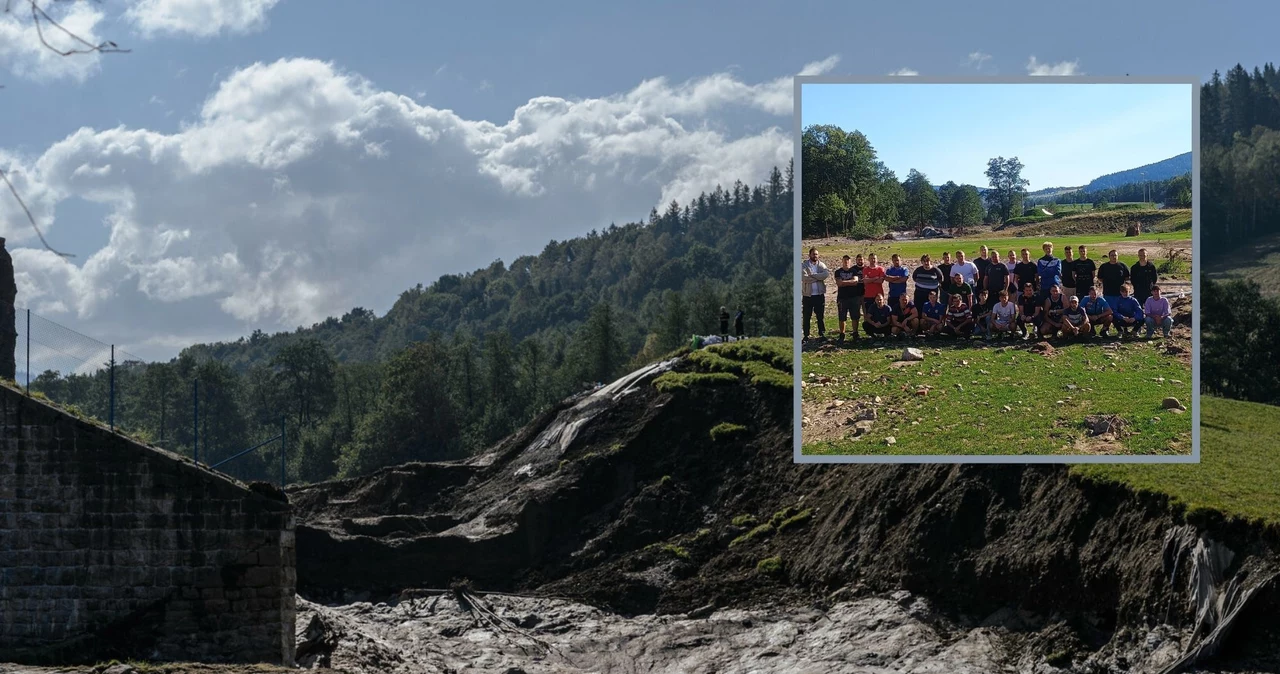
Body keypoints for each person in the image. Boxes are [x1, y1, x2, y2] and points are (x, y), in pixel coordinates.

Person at [832, 254, 862, 342]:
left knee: (855, 316)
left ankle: (855, 333)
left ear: (850, 261)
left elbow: (856, 281)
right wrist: (850, 282)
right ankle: (842, 334)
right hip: (842, 298)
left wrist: (844, 282)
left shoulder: (854, 271)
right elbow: (839, 283)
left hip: (854, 297)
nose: (846, 262)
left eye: (848, 260)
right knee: (842, 317)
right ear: (842, 261)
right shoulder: (838, 272)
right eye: (845, 260)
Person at [801, 247, 829, 341]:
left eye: (816, 254)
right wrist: (818, 277)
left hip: (819, 295)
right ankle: (806, 335)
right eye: (813, 254)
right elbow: (804, 278)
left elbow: (825, 274)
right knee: (806, 316)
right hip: (808, 296)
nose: (815, 256)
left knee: (820, 316)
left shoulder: (821, 265)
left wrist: (813, 276)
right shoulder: (804, 265)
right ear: (809, 255)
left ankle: (822, 334)